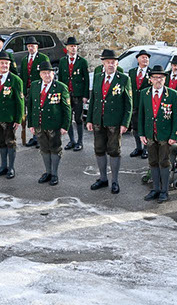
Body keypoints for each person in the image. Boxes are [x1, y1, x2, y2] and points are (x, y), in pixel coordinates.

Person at [87, 49, 132, 194]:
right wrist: (89, 119)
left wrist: (125, 123)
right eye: (108, 62)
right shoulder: (98, 77)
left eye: (113, 62)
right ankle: (103, 178)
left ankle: (115, 181)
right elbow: (93, 99)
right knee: (99, 149)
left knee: (114, 151)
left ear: (117, 63)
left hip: (114, 121)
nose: (110, 64)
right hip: (98, 120)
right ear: (103, 63)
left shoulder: (123, 79)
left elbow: (128, 104)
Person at [139, 65, 177, 202]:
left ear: (165, 79)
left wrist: (174, 135)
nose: (158, 80)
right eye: (155, 77)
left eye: (161, 77)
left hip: (165, 135)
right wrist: (141, 133)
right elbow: (141, 114)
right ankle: (155, 189)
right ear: (150, 79)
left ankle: (164, 191)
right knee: (153, 162)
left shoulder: (172, 94)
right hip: (150, 134)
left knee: (164, 162)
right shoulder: (144, 93)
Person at [26, 61, 71, 185]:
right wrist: (31, 124)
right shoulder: (35, 86)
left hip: (54, 124)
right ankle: (48, 172)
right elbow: (30, 106)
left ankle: (54, 174)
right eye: (44, 73)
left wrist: (65, 126)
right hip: (39, 124)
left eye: (49, 73)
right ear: (40, 74)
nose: (47, 75)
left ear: (53, 73)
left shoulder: (60, 87)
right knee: (44, 148)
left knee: (55, 149)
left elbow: (67, 108)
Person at [0, 51, 24, 178]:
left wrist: (18, 119)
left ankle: (11, 168)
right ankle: (3, 166)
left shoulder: (15, 80)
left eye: (6, 63)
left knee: (10, 142)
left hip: (8, 117)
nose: (4, 65)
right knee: (0, 142)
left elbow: (20, 102)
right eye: (2, 63)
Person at [57, 36, 89, 151]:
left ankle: (80, 141)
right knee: (68, 118)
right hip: (67, 94)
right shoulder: (62, 61)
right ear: (67, 48)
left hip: (78, 94)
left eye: (75, 46)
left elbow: (86, 80)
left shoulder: (82, 62)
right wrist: (60, 94)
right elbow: (60, 79)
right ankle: (72, 140)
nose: (73, 48)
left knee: (79, 118)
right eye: (71, 46)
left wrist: (85, 95)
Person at [19, 36, 50, 147]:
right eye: (29, 46)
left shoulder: (42, 58)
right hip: (28, 89)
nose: (31, 48)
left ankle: (41, 137)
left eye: (32, 46)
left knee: (40, 113)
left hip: (39, 89)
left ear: (37, 46)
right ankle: (34, 136)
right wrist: (22, 90)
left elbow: (47, 74)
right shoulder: (24, 59)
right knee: (32, 113)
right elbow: (23, 76)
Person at [128, 49, 151, 158]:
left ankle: (146, 148)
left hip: (146, 105)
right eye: (143, 57)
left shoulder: (151, 73)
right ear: (138, 59)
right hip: (135, 103)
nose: (145, 59)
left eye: (147, 58)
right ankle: (138, 147)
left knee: (146, 127)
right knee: (136, 127)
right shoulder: (132, 72)